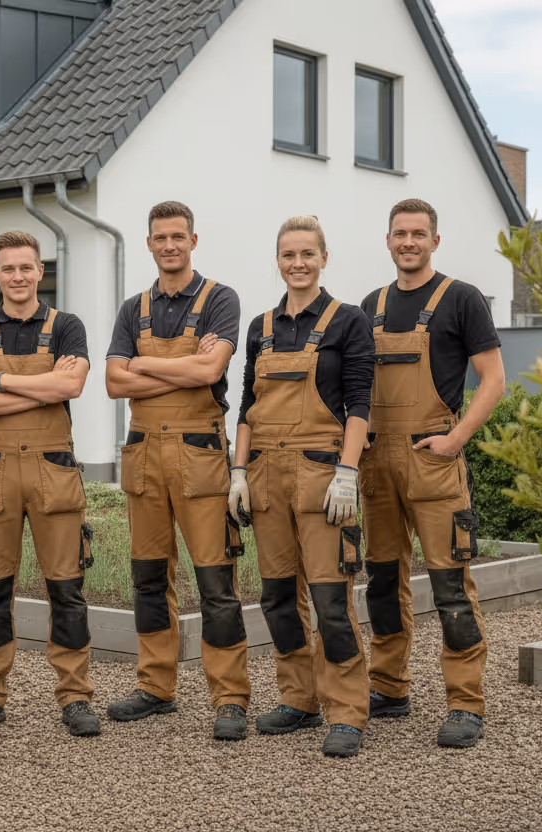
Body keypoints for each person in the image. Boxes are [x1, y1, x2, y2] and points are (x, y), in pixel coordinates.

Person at [358, 198, 507, 749]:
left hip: (434, 461)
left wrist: (456, 439)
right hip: (379, 467)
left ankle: (466, 702)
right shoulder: (369, 305)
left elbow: (493, 380)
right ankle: (390, 687)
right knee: (381, 580)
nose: (408, 242)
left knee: (450, 582)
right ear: (389, 239)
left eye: (419, 234)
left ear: (435, 241)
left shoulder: (461, 299)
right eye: (400, 233)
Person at [104, 200, 251, 741]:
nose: (169, 245)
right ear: (149, 244)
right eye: (159, 238)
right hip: (144, 457)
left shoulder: (221, 299)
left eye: (177, 237)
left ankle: (231, 697)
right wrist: (181, 371)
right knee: (148, 579)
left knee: (216, 580)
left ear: (193, 240)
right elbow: (114, 384)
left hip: (200, 457)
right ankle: (155, 687)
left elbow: (212, 368)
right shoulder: (132, 308)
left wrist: (142, 363)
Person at [229, 216, 375, 757]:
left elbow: (360, 401)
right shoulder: (261, 326)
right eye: (289, 254)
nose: (298, 263)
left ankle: (346, 710)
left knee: (330, 599)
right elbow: (247, 405)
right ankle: (299, 698)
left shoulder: (348, 321)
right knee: (276, 598)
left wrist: (347, 473)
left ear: (323, 258)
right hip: (266, 476)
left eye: (307, 254)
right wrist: (238, 472)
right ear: (278, 259)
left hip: (321, 477)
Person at [0, 230, 99, 737]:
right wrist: (43, 391)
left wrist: (1, 381)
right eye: (8, 268)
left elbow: (73, 385)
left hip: (53, 471)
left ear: (41, 271)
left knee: (68, 589)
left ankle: (76, 697)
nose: (17, 276)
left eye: (26, 267)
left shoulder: (67, 326)